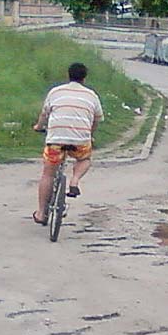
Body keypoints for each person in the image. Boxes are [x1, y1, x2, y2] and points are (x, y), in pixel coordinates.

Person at [31, 62, 103, 225]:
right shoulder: (91, 95)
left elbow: (45, 114)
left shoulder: (56, 92)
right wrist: (90, 134)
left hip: (56, 139)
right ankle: (75, 180)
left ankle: (41, 213)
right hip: (80, 140)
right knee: (84, 159)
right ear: (84, 78)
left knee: (48, 174)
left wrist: (38, 127)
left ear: (68, 75)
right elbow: (97, 118)